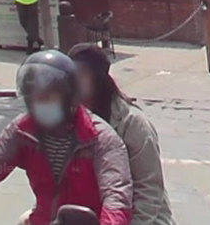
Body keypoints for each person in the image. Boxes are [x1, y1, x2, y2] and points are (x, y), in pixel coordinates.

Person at [0, 50, 134, 225]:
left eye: (49, 96)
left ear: (69, 97)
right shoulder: (23, 131)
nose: (41, 103)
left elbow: (116, 198)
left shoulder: (100, 139)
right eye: (35, 96)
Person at [70, 45, 172, 225]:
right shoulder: (69, 119)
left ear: (98, 77)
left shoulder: (132, 123)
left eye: (82, 73)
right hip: (93, 211)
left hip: (141, 217)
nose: (74, 81)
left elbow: (149, 190)